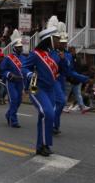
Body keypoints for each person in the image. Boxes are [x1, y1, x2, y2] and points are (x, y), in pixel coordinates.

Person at [22, 25, 67, 156]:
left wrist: (63, 60)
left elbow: (63, 71)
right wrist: (30, 74)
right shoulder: (35, 54)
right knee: (48, 113)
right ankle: (45, 144)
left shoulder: (54, 54)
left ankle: (41, 146)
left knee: (44, 116)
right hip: (37, 87)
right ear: (50, 39)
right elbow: (24, 68)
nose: (59, 41)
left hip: (50, 89)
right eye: (57, 39)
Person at [1, 29, 25, 128]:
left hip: (20, 82)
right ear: (14, 48)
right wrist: (10, 74)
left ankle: (8, 114)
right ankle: (13, 120)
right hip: (11, 82)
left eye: (21, 47)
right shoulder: (8, 58)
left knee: (18, 101)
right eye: (18, 47)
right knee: (14, 99)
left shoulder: (24, 58)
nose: (20, 48)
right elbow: (3, 70)